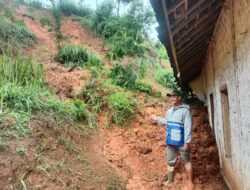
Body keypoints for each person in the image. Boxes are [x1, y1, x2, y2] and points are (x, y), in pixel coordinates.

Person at [152, 90, 194, 189]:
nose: (171, 98)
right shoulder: (169, 111)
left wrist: (187, 142)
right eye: (170, 96)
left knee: (186, 160)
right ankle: (169, 181)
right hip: (170, 140)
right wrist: (156, 118)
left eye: (174, 96)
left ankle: (190, 182)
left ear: (179, 97)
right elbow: (167, 122)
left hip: (181, 141)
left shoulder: (185, 111)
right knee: (170, 161)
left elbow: (188, 126)